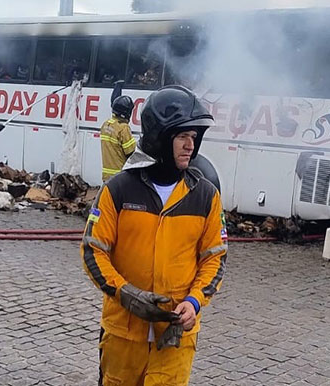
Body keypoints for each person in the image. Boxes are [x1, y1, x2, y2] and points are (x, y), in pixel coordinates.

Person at [81, 85, 228, 385]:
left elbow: (214, 259)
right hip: (123, 336)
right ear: (160, 138)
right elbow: (92, 251)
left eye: (194, 137)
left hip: (175, 339)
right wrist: (125, 294)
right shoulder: (119, 190)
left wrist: (195, 302)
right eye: (182, 136)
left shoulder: (205, 196)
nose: (191, 145)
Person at [100, 93, 136, 182]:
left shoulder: (105, 125)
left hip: (107, 177)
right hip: (120, 176)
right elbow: (131, 154)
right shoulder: (123, 128)